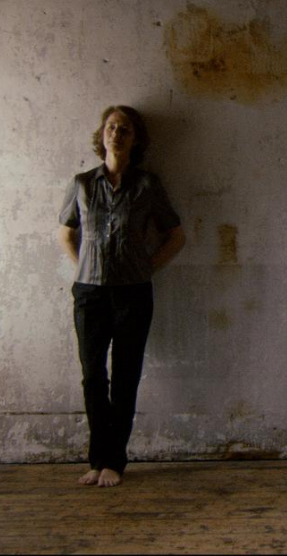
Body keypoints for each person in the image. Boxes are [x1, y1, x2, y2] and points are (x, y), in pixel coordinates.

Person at [57, 105, 185, 487]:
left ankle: (114, 461)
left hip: (133, 293)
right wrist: (84, 267)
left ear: (135, 139)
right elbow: (66, 233)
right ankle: (96, 460)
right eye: (111, 127)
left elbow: (176, 236)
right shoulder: (82, 184)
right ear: (102, 134)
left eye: (125, 129)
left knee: (125, 377)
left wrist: (147, 267)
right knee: (93, 376)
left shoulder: (147, 185)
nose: (117, 133)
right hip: (89, 294)